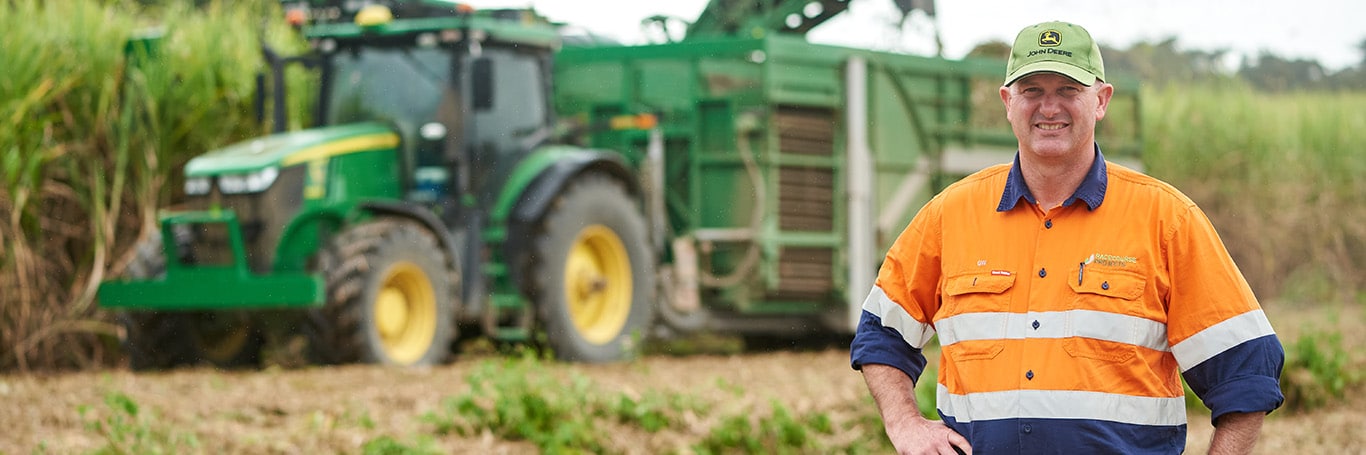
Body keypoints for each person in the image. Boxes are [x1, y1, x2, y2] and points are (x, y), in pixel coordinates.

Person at [849, 21, 1284, 454]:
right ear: (1007, 102)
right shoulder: (950, 214)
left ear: (1101, 100)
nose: (1049, 108)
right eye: (1032, 91)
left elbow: (1245, 368)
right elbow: (881, 333)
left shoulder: (1167, 220)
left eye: (1068, 90)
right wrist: (905, 423)